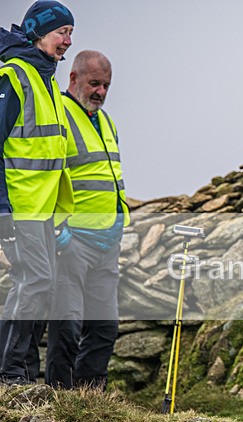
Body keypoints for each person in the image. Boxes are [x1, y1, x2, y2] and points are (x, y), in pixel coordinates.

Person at [0, 1, 75, 385]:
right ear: (38, 31)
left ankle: (22, 373)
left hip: (43, 211)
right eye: (62, 32)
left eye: (71, 34)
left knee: (39, 286)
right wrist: (3, 211)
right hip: (19, 207)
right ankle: (10, 372)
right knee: (35, 283)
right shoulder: (14, 76)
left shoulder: (44, 79)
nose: (67, 41)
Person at [45, 50, 128, 390]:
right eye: (95, 83)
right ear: (74, 78)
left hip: (107, 245)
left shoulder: (106, 121)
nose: (101, 92)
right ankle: (61, 400)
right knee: (67, 327)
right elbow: (45, 178)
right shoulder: (58, 115)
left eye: (107, 85)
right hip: (73, 243)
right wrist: (60, 235)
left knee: (105, 327)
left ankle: (91, 400)